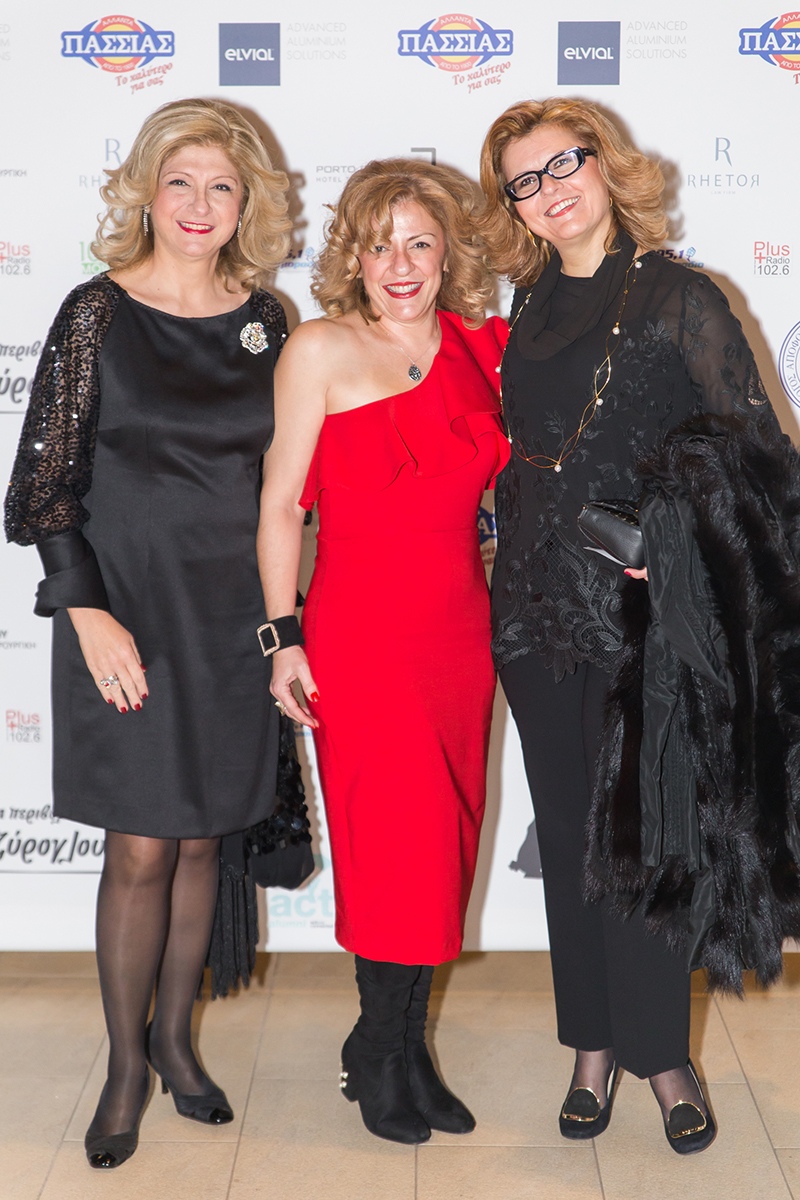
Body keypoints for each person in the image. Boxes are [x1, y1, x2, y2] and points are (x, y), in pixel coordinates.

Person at [479, 97, 777, 1154]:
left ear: (605, 164)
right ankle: (590, 1046)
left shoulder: (677, 296)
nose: (549, 190)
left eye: (563, 164)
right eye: (524, 180)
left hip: (639, 612)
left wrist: (673, 529)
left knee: (643, 836)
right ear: (512, 205)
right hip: (530, 610)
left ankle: (660, 1056)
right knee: (566, 836)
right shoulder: (523, 302)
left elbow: (753, 453)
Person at [4, 98, 291, 1169]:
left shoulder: (268, 321)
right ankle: (126, 1067)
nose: (199, 205)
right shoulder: (97, 313)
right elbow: (42, 489)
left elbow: (287, 483)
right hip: (122, 615)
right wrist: (85, 613)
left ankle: (176, 1043)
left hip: (232, 620)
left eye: (222, 186)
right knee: (140, 846)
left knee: (205, 839)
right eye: (181, 182)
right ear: (146, 192)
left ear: (246, 203)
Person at [257, 158, 509, 1144]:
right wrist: (282, 637)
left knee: (444, 842)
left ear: (448, 254)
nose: (399, 264)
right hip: (361, 630)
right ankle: (381, 1051)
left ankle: (399, 1050)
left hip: (460, 632)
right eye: (378, 245)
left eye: (418, 243)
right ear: (352, 257)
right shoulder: (319, 347)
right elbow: (280, 505)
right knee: (389, 846)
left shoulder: (481, 346)